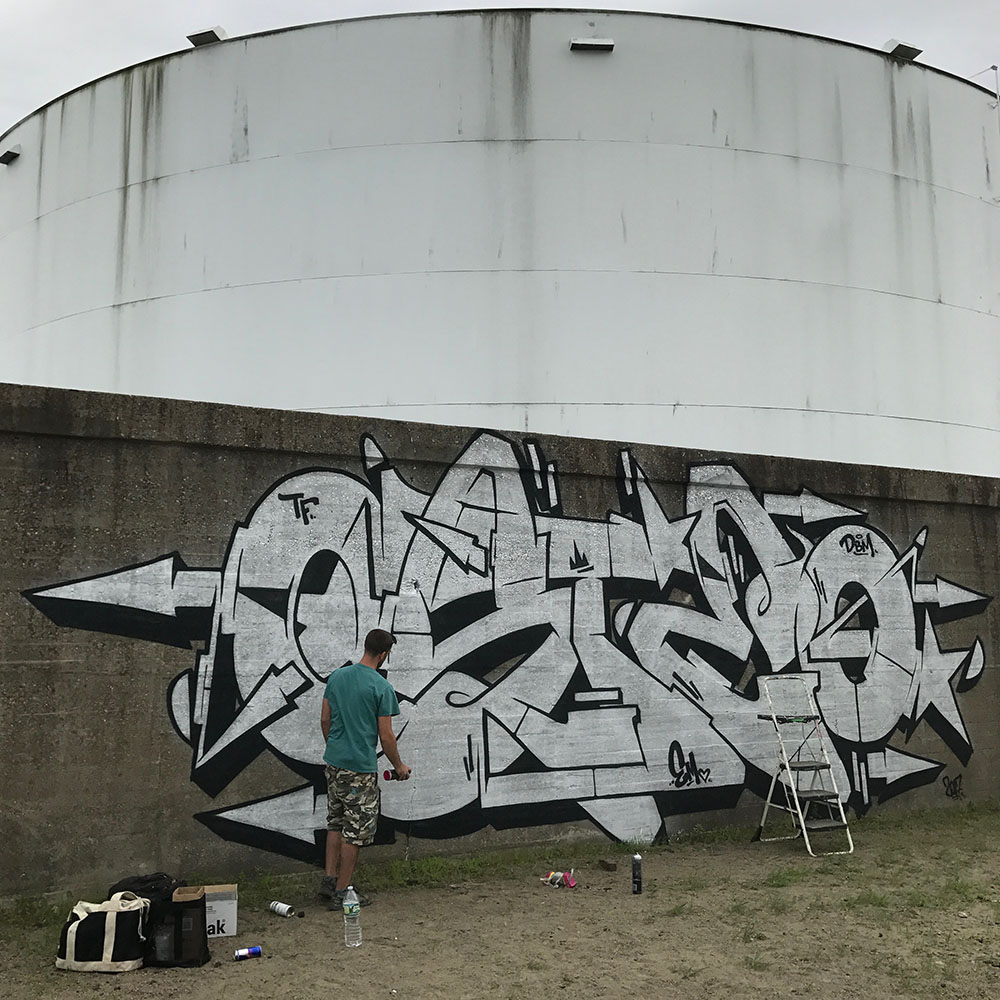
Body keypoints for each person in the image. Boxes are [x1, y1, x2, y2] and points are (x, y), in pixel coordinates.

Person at [319, 628, 411, 907]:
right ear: (383, 654)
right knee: (355, 831)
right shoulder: (381, 687)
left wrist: (336, 747)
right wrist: (399, 766)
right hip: (359, 768)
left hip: (334, 763)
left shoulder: (337, 677)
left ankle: (329, 880)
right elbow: (386, 736)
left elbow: (325, 719)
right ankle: (342, 892)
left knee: (335, 822)